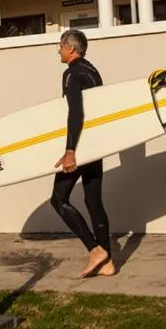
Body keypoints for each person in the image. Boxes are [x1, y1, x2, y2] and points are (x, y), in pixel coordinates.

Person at [52, 28, 116, 278]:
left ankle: (95, 249)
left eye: (60, 46)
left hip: (80, 147)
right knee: (93, 200)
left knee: (58, 200)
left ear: (70, 48)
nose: (58, 50)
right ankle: (107, 262)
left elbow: (76, 112)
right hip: (96, 144)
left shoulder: (72, 74)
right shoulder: (92, 71)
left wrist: (70, 151)